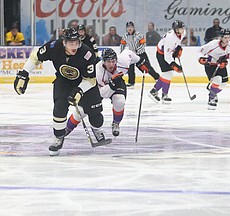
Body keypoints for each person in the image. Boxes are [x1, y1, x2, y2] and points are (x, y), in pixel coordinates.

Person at [13, 28, 107, 156]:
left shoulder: (87, 53)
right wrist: (23, 73)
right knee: (59, 108)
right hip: (64, 82)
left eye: (76, 43)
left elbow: (90, 80)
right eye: (71, 43)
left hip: (85, 84)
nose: (74, 46)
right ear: (64, 42)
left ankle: (96, 128)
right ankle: (58, 138)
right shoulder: (53, 47)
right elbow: (36, 56)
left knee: (97, 118)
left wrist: (79, 91)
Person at [65, 48, 149, 137]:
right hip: (98, 88)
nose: (111, 64)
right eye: (108, 62)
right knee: (81, 111)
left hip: (117, 83)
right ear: (103, 62)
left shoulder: (123, 62)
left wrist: (140, 61)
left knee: (119, 101)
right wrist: (111, 85)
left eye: (113, 61)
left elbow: (129, 53)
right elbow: (102, 93)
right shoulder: (98, 71)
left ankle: (116, 123)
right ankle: (67, 128)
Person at [148, 20, 186, 104]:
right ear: (176, 29)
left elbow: (178, 42)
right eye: (181, 28)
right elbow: (167, 56)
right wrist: (174, 65)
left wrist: (178, 48)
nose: (183, 29)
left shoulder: (183, 33)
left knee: (168, 74)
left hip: (169, 53)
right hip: (162, 54)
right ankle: (162, 94)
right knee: (168, 74)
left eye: (183, 28)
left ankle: (156, 92)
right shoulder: (170, 38)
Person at [198, 28, 230, 110]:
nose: (227, 39)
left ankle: (213, 93)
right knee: (217, 79)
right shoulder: (213, 44)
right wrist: (201, 58)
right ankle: (211, 98)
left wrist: (226, 62)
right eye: (225, 37)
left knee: (223, 84)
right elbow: (200, 50)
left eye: (229, 37)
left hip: (221, 66)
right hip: (210, 65)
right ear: (221, 38)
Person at [120, 21, 159, 87]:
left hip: (141, 54)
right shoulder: (125, 36)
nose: (130, 28)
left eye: (131, 27)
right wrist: (122, 53)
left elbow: (143, 44)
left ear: (133, 28)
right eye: (128, 27)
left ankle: (157, 78)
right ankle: (131, 82)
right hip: (132, 55)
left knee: (147, 67)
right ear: (126, 28)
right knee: (130, 68)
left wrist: (137, 51)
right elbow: (122, 45)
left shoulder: (139, 35)